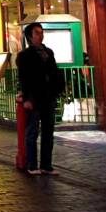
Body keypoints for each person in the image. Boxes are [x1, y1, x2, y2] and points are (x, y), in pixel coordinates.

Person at [17, 22, 63, 175]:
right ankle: (32, 164)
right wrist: (27, 98)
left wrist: (57, 90)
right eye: (37, 33)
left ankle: (46, 164)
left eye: (41, 32)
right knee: (32, 131)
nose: (40, 35)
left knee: (48, 132)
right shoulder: (24, 56)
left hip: (49, 97)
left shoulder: (49, 52)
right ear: (30, 36)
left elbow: (55, 72)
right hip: (34, 98)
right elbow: (24, 78)